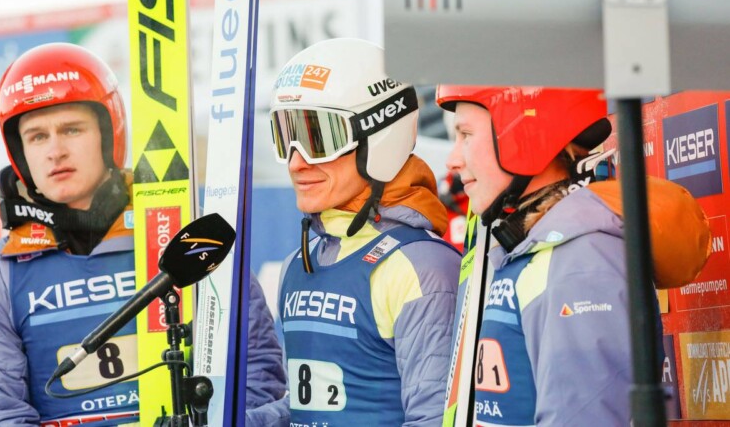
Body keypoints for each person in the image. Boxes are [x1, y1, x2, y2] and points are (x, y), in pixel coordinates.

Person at [0, 43, 286, 426]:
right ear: (20, 151)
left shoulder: (178, 232)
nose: (55, 151)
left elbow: (255, 370)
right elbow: (3, 411)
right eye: (36, 136)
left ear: (108, 132)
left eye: (71, 129)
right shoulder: (3, 271)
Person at [436, 85, 710, 426]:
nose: (453, 160)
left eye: (466, 134)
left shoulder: (581, 265)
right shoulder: (531, 251)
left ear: (523, 136)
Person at [250, 37, 461, 426]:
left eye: (318, 138)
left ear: (379, 136)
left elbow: (433, 418)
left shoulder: (420, 269)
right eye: (285, 135)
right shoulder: (300, 262)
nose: (296, 162)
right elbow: (303, 408)